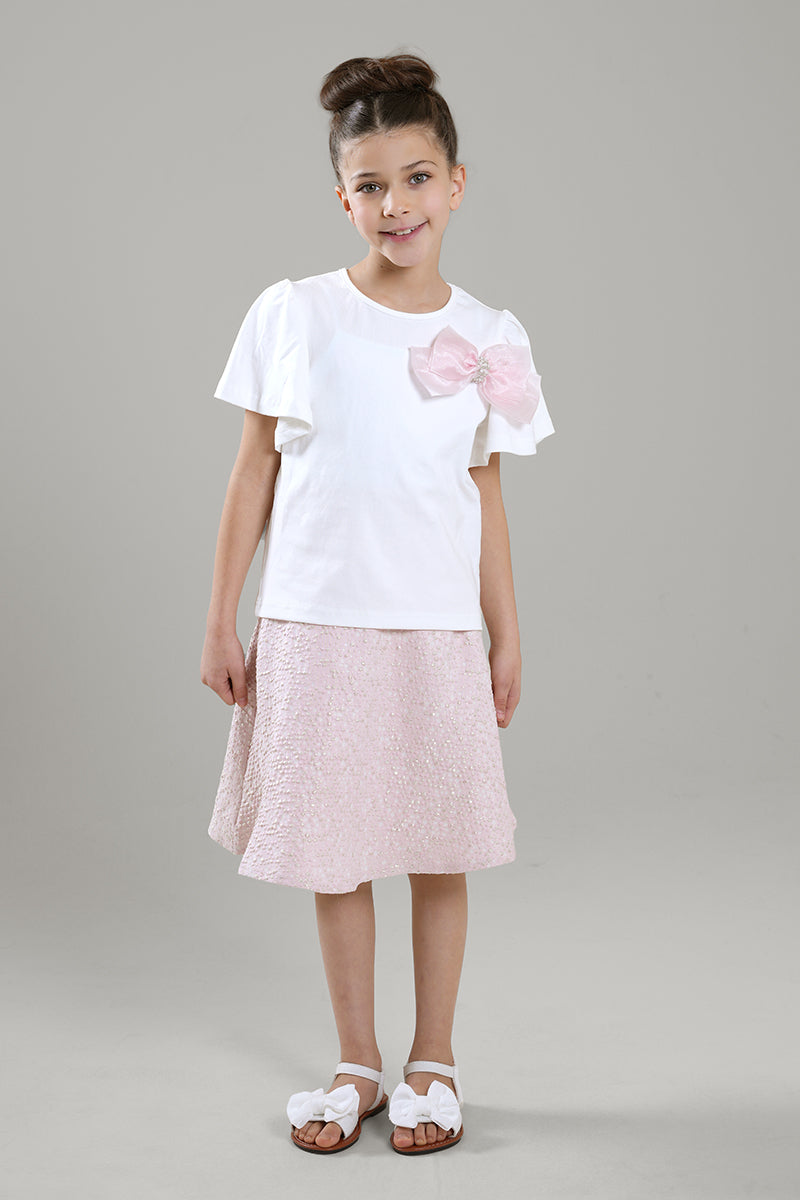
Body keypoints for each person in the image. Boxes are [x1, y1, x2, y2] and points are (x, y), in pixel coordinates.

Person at [200, 51, 555, 1157]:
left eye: (416, 178)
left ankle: (432, 1059)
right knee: (334, 849)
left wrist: (507, 633)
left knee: (440, 846)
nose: (395, 205)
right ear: (341, 197)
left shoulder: (491, 336)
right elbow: (252, 469)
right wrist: (221, 617)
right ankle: (356, 1061)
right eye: (370, 185)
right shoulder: (295, 312)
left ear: (457, 182)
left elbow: (484, 492)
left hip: (435, 628)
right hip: (312, 623)